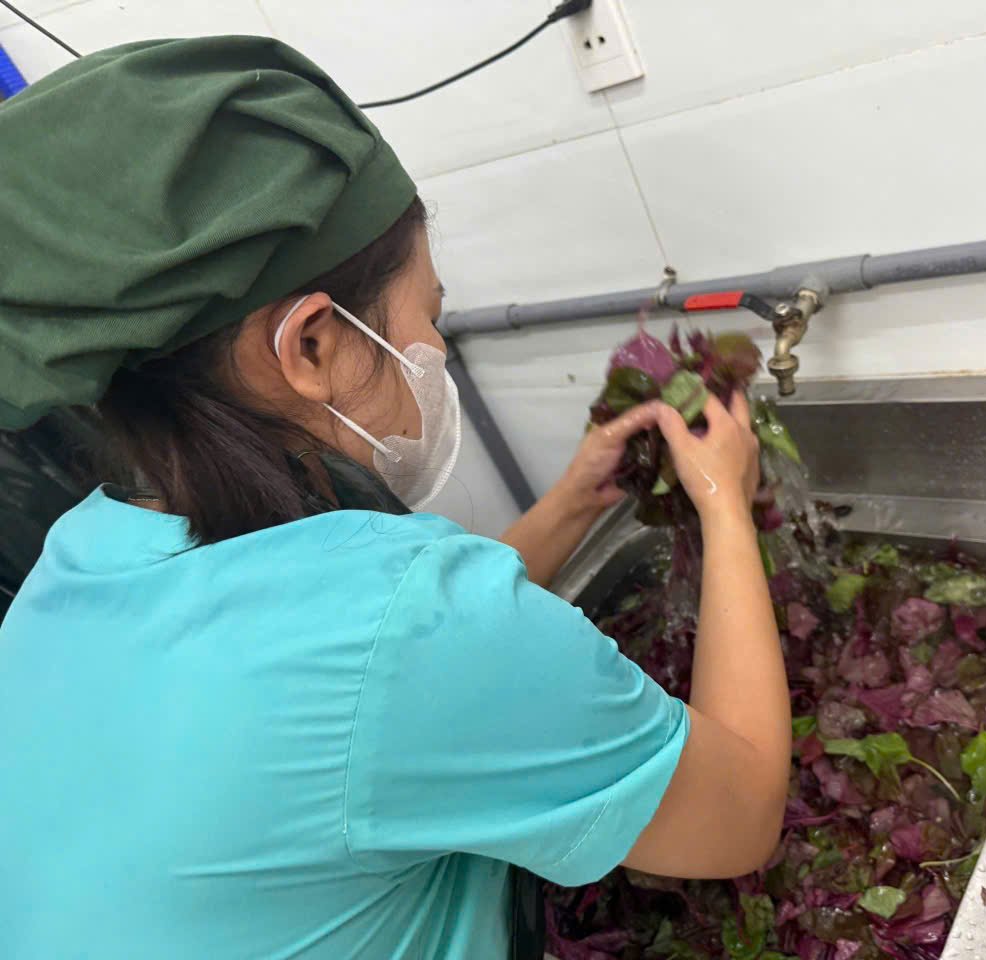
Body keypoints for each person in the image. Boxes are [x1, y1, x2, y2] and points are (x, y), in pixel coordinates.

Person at [0, 37, 790, 959]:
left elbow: (372, 673)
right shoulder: (415, 627)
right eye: (429, 316)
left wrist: (577, 500)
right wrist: (723, 504)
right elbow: (741, 814)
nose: (438, 352)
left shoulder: (75, 560)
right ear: (311, 346)